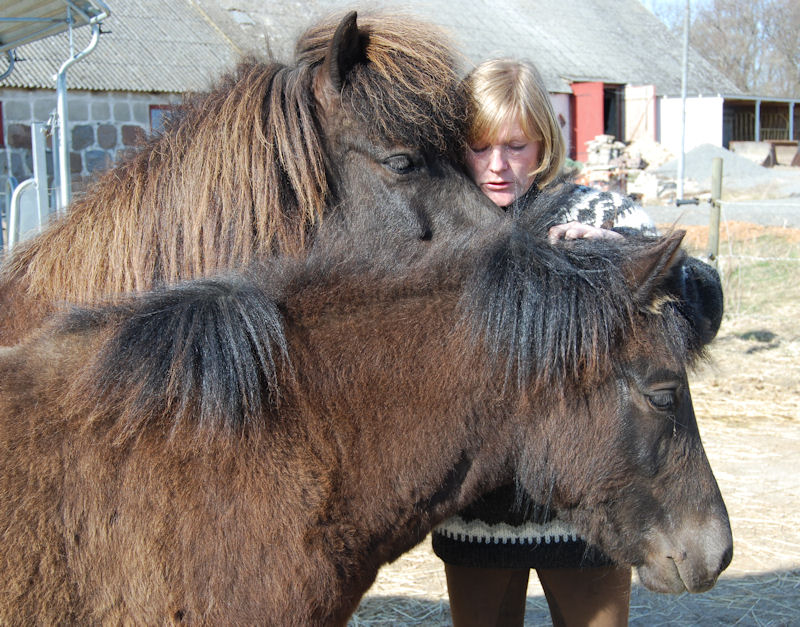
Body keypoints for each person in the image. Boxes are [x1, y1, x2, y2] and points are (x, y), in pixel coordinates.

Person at [431, 58, 657, 627]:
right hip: (478, 512)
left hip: (589, 510)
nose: (497, 166)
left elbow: (700, 300)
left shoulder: (597, 211)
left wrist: (621, 256)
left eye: (516, 146)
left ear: (544, 144)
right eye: (479, 147)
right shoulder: (434, 230)